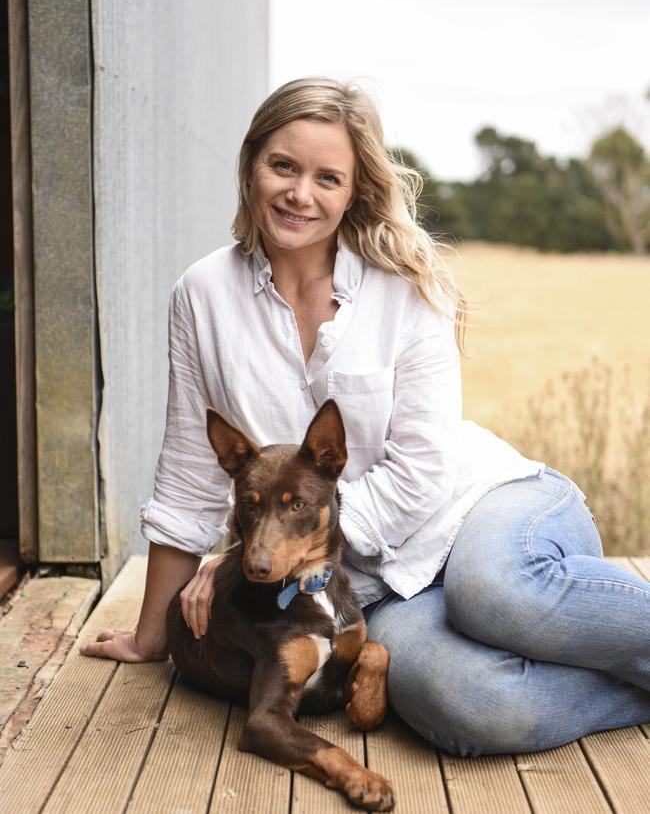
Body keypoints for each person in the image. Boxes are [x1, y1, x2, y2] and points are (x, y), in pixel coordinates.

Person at [81, 77, 650, 756]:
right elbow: (186, 473)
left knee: (490, 594)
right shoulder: (201, 294)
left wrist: (256, 554)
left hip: (476, 507)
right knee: (469, 704)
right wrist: (152, 635)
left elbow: (423, 471)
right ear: (251, 165)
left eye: (329, 177)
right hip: (375, 585)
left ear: (354, 191)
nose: (301, 193)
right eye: (283, 166)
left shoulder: (404, 284)